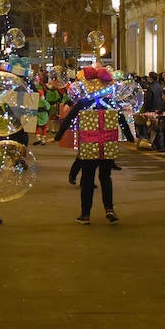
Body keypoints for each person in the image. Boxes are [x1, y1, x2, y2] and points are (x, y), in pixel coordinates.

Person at [55, 66, 134, 224]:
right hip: (107, 146)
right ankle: (109, 209)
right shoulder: (111, 103)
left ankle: (85, 214)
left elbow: (69, 119)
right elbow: (122, 121)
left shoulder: (83, 103)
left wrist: (58, 136)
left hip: (89, 145)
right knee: (106, 177)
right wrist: (131, 138)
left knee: (87, 179)